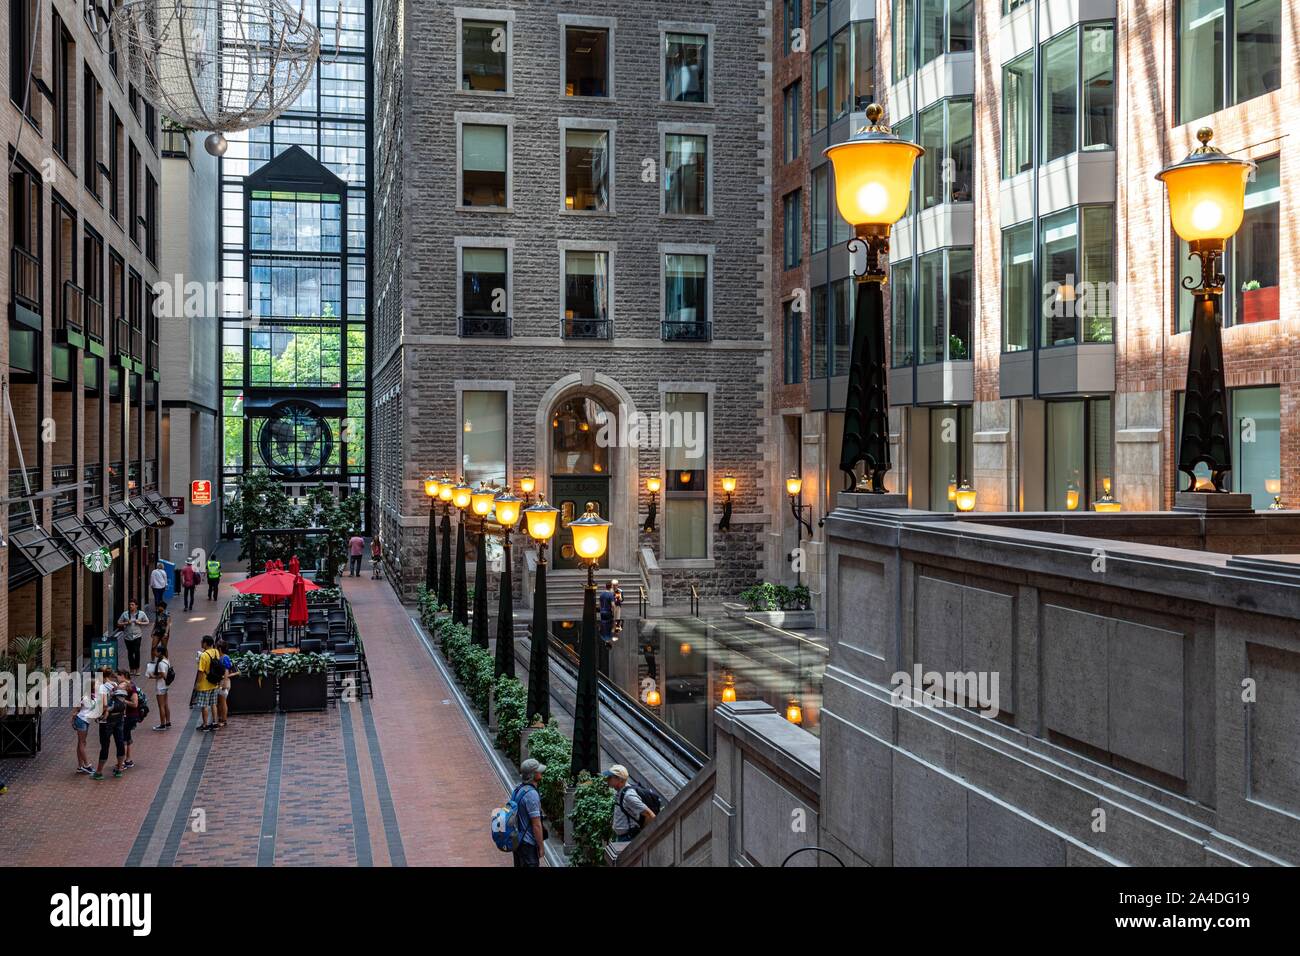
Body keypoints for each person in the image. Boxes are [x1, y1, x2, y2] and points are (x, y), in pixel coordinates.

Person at [605, 764, 655, 841]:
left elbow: (649, 814)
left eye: (610, 777)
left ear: (620, 780)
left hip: (629, 838)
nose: (607, 780)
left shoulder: (629, 796)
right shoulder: (620, 792)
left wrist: (643, 834)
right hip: (623, 837)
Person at [511, 759, 546, 867]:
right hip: (528, 845)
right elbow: (536, 825)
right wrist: (541, 846)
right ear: (532, 775)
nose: (541, 773)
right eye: (538, 771)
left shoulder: (519, 789)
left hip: (518, 843)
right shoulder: (531, 795)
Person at [93, 671, 126, 780]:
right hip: (119, 717)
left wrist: (99, 715)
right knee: (120, 742)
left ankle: (99, 772)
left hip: (108, 720)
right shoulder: (115, 685)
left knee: (105, 745)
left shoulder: (102, 687)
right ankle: (119, 769)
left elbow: (104, 704)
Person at [72, 679, 105, 775]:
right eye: (96, 685)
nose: (98, 686)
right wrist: (72, 720)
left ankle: (80, 766)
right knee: (82, 743)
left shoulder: (93, 696)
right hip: (81, 720)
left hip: (85, 721)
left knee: (81, 743)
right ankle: (86, 765)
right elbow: (76, 709)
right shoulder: (86, 697)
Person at [193, 636, 223, 732]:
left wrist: (197, 684)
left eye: (202, 642)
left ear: (205, 643)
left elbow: (201, 671)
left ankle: (205, 725)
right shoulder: (216, 652)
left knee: (204, 705)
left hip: (205, 684)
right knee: (213, 704)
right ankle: (214, 723)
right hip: (214, 682)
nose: (201, 643)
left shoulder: (203, 655)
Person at [115, 668, 141, 770]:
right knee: (127, 737)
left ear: (123, 676)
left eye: (118, 675)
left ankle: (122, 763)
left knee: (123, 740)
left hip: (129, 717)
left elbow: (135, 704)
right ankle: (128, 760)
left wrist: (124, 701)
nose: (117, 678)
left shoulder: (131, 687)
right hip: (129, 716)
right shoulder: (128, 685)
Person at [116, 600, 150, 675]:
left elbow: (147, 622)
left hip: (137, 635)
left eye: (132, 605)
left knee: (137, 652)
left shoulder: (141, 613)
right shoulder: (125, 614)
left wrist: (140, 622)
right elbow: (118, 623)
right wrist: (126, 623)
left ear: (136, 606)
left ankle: (137, 669)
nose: (130, 606)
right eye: (130, 605)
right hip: (127, 636)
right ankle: (132, 669)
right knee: (130, 653)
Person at [149, 647, 173, 731]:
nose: (154, 653)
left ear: (159, 652)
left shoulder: (161, 663)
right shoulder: (166, 660)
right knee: (166, 704)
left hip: (161, 686)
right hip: (165, 686)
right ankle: (168, 722)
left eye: (155, 652)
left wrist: (153, 676)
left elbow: (163, 675)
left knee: (161, 706)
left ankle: (162, 724)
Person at [215, 639, 235, 729]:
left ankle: (224, 720)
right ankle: (220, 718)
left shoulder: (225, 657)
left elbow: (227, 671)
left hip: (224, 682)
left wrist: (224, 684)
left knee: (223, 702)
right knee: (220, 702)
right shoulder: (220, 657)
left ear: (219, 648)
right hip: (220, 681)